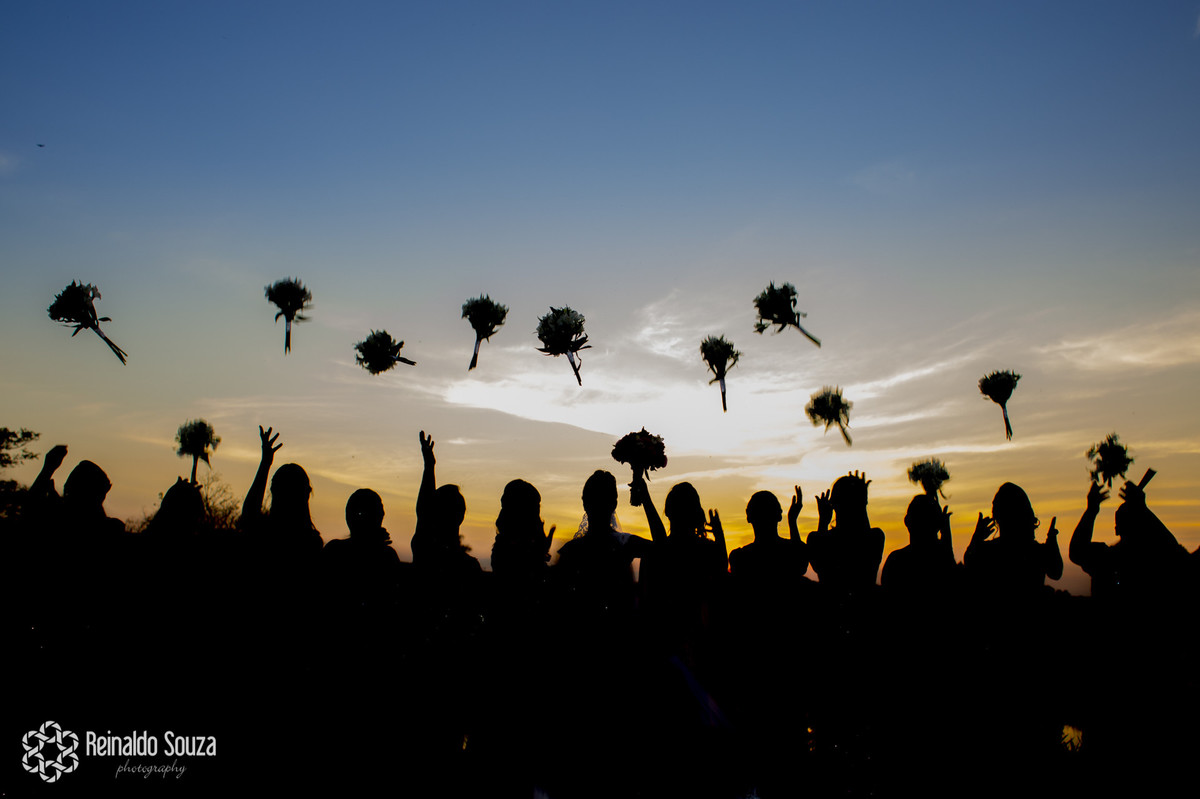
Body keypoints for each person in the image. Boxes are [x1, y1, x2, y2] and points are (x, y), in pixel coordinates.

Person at [964, 482, 1061, 598]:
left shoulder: (989, 551)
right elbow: (1055, 572)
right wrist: (1052, 541)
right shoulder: (1036, 552)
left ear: (997, 517)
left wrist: (976, 539)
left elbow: (970, 564)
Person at [806, 472, 885, 593]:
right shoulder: (875, 537)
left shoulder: (815, 539)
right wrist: (862, 502)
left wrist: (823, 521)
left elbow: (819, 564)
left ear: (833, 504)